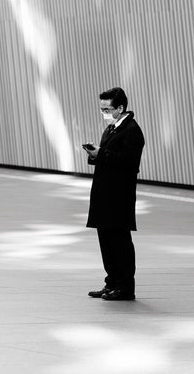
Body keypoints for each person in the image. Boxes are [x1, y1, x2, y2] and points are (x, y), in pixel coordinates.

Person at [83, 86, 145, 301]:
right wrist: (95, 154)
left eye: (107, 109)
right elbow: (108, 157)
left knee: (120, 242)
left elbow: (129, 162)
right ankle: (112, 282)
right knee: (107, 241)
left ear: (120, 107)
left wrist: (102, 153)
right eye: (101, 109)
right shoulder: (112, 128)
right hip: (105, 195)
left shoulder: (131, 130)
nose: (104, 113)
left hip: (119, 196)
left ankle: (125, 287)